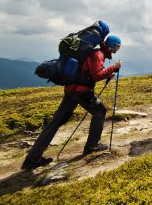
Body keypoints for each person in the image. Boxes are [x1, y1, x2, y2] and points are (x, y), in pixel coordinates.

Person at [21, 35, 123, 170]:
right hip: (81, 92)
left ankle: (32, 159)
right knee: (100, 111)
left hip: (71, 90)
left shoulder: (95, 53)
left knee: (55, 122)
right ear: (112, 46)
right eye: (117, 47)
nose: (117, 49)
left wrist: (108, 72)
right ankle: (92, 146)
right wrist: (113, 67)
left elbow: (91, 72)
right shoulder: (97, 54)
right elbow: (96, 76)